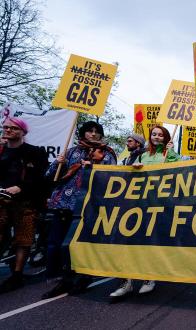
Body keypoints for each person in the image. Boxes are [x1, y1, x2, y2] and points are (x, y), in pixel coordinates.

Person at [43, 121, 117, 298]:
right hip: (65, 203)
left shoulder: (107, 153)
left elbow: (114, 177)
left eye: (96, 131)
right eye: (89, 131)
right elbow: (50, 175)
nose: (93, 134)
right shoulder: (72, 151)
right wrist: (57, 163)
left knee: (81, 244)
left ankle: (84, 276)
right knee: (57, 243)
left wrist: (93, 169)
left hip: (89, 204)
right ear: (82, 133)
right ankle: (63, 279)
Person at [108, 125, 179, 299]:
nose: (156, 137)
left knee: (150, 243)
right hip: (136, 205)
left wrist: (172, 154)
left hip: (157, 205)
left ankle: (149, 278)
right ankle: (127, 282)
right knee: (129, 243)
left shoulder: (169, 154)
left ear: (166, 138)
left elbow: (180, 172)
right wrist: (135, 168)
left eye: (160, 135)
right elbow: (127, 178)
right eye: (154, 134)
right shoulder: (141, 155)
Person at [0, 117, 48, 293]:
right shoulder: (1, 150)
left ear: (23, 132)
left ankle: (17, 275)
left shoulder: (34, 152)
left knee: (24, 238)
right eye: (5, 127)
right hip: (1, 200)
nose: (8, 130)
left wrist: (21, 187)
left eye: (13, 128)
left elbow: (41, 176)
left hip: (25, 202)